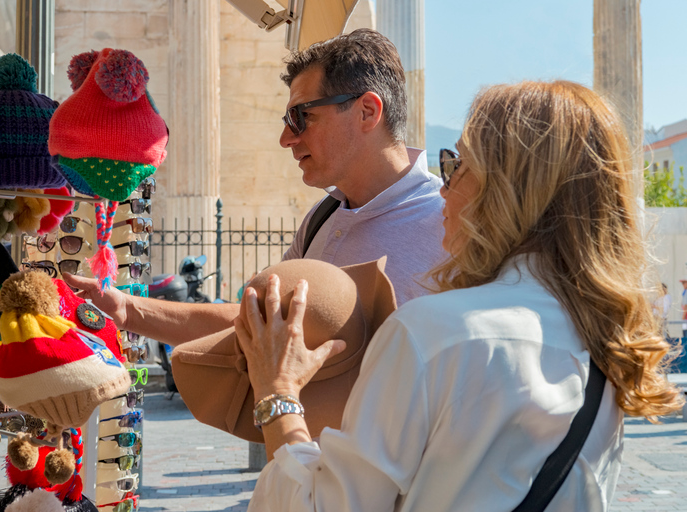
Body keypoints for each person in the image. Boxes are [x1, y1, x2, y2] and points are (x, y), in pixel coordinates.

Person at [234, 80, 684, 512]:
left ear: (506, 188)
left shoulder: (431, 333)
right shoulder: (611, 340)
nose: (443, 187)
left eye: (455, 165)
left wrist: (279, 392)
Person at [64, 29, 445, 343]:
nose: (286, 138)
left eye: (302, 116)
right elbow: (254, 321)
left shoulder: (451, 223)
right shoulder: (322, 217)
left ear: (367, 111)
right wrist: (126, 310)